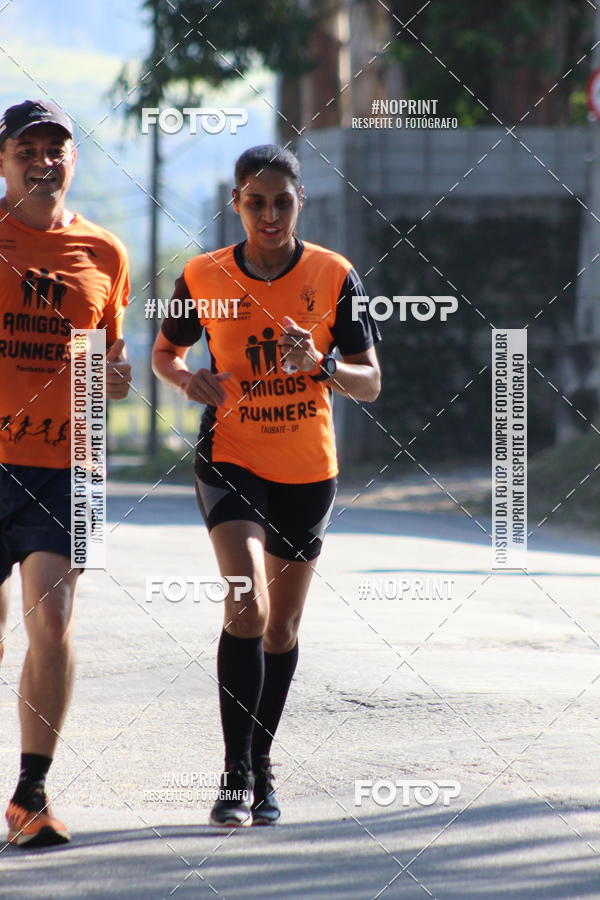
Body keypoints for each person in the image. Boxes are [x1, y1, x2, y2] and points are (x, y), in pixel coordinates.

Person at [152, 144, 381, 827]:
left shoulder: (333, 275)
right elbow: (167, 352)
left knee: (280, 627)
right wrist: (186, 378)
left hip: (308, 470)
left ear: (299, 202)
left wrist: (323, 363)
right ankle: (234, 774)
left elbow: (370, 382)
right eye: (256, 203)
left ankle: (263, 760)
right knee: (246, 603)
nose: (270, 214)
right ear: (237, 205)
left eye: (282, 201)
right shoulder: (204, 274)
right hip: (230, 456)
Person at [0, 99, 132, 847]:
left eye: (58, 148)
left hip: (69, 466)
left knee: (52, 621)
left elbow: (110, 363)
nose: (45, 160)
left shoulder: (106, 252)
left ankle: (29, 794)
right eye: (29, 147)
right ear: (3, 160)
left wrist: (116, 378)